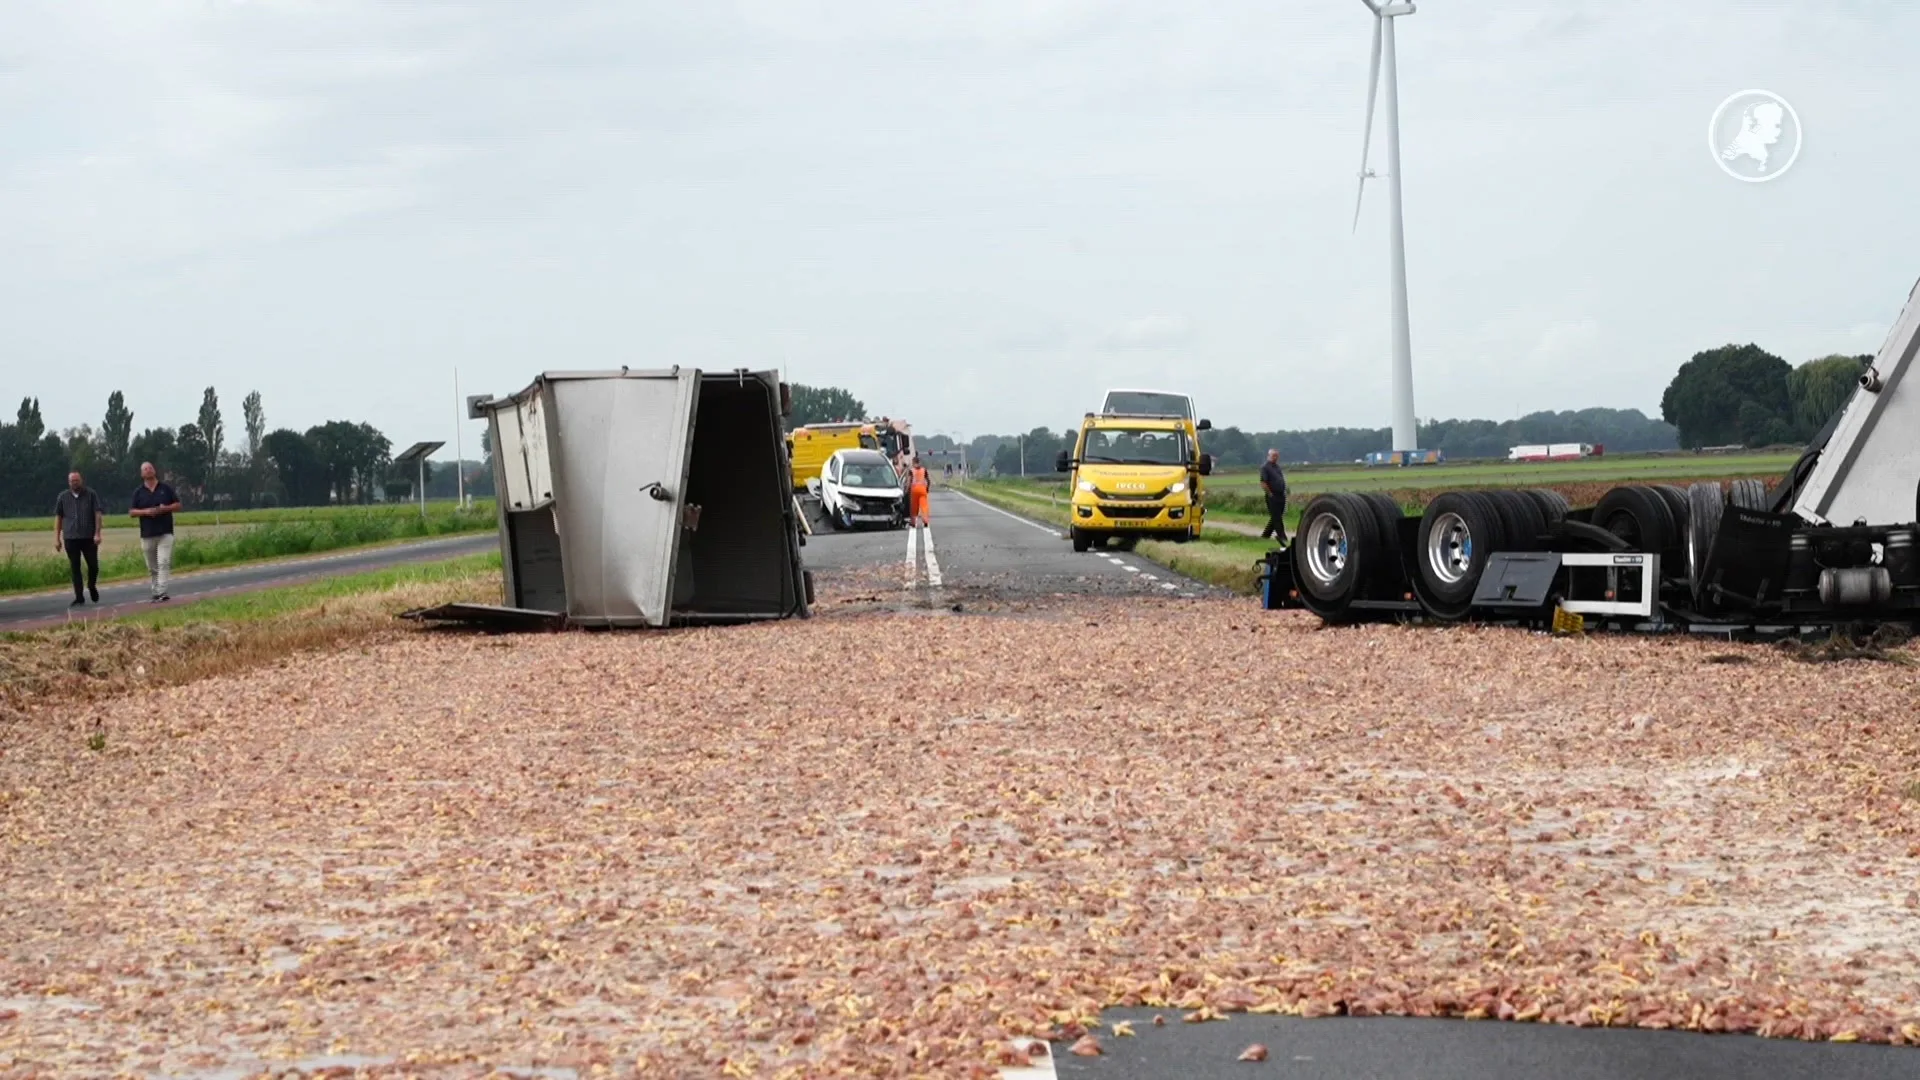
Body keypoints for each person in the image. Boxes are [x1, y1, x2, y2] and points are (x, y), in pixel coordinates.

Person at [130, 462, 182, 603]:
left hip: (165, 532)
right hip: (147, 533)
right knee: (152, 566)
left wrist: (165, 509)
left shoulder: (165, 488)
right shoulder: (138, 492)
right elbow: (132, 512)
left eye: (150, 468)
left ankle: (162, 591)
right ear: (142, 474)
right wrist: (146, 512)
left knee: (163, 562)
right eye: (145, 469)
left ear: (154, 471)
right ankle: (155, 589)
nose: (148, 470)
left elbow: (178, 505)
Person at [55, 471, 104, 606]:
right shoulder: (63, 497)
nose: (75, 483)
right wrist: (57, 538)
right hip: (71, 537)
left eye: (77, 480)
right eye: (72, 481)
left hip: (88, 537)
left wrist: (97, 533)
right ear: (69, 482)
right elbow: (59, 518)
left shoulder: (91, 494)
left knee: (93, 565)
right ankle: (79, 596)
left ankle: (91, 585)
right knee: (75, 567)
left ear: (81, 480)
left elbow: (98, 513)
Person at [1259, 448, 1289, 546]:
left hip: (1281, 495)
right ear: (1269, 456)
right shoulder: (1265, 467)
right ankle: (1283, 537)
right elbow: (1263, 482)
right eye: (1273, 456)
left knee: (1276, 517)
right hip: (1273, 496)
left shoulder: (1277, 467)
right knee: (1277, 518)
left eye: (1277, 456)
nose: (1275, 458)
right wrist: (1270, 494)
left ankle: (1265, 536)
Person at [908, 455, 931, 527]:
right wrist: (927, 488)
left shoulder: (911, 471)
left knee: (914, 507)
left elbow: (909, 481)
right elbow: (928, 480)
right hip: (922, 490)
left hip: (914, 490)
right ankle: (925, 521)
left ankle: (913, 522)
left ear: (913, 462)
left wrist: (907, 490)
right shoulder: (924, 470)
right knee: (924, 506)